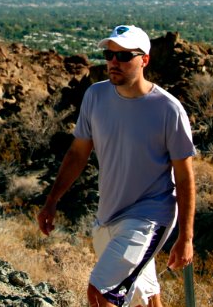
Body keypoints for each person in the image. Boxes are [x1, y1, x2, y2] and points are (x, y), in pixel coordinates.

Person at [37, 25, 196, 307]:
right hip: (108, 216)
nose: (113, 62)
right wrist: (52, 200)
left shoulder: (168, 110)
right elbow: (77, 154)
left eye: (124, 56)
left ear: (144, 59)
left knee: (100, 293)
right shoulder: (95, 97)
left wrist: (186, 237)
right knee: (146, 300)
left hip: (149, 217)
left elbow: (185, 179)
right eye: (109, 54)